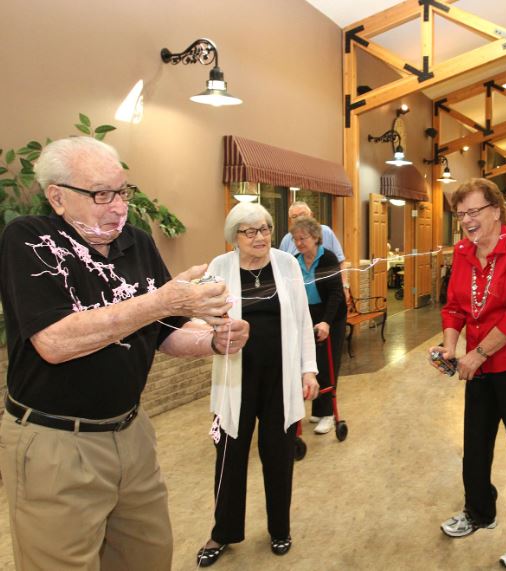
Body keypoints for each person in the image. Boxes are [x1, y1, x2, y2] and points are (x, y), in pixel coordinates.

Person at [0, 136, 248, 570]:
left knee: (147, 555)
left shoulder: (138, 242)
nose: (118, 207)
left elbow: (165, 331)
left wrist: (212, 340)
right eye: (101, 195)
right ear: (57, 197)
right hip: (56, 441)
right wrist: (162, 301)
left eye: (122, 192)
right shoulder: (30, 239)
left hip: (131, 431)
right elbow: (55, 342)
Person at [428, 178, 506, 570]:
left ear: (496, 210)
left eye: (474, 211)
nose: (467, 220)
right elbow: (455, 306)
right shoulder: (463, 251)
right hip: (479, 362)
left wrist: (477, 353)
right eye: (460, 214)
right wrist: (451, 347)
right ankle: (479, 511)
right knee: (476, 442)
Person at [195, 202, 320, 567]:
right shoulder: (219, 267)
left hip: (280, 376)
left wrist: (308, 370)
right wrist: (209, 326)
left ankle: (280, 528)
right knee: (229, 456)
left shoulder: (286, 264)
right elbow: (200, 317)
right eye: (250, 231)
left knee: (278, 454)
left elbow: (302, 319)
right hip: (235, 378)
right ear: (234, 236)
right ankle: (223, 531)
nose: (260, 237)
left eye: (264, 229)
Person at [290, 216, 347, 435]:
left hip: (331, 315)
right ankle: (318, 408)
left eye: (303, 238)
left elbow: (335, 294)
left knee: (326, 363)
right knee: (310, 363)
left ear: (315, 237)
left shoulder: (328, 258)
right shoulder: (295, 261)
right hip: (308, 315)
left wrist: (326, 322)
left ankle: (328, 414)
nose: (299, 243)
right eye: (295, 239)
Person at [278, 201, 351, 296]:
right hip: (298, 296)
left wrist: (345, 286)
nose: (299, 219)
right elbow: (281, 270)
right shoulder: (286, 240)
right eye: (294, 217)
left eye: (302, 214)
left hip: (327, 293)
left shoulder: (326, 232)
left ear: (311, 215)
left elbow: (340, 262)